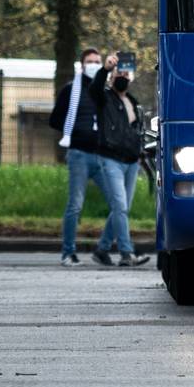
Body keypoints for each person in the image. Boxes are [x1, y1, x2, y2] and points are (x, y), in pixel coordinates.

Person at [51, 49, 146, 265]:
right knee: (75, 204)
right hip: (80, 154)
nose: (93, 64)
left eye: (97, 61)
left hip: (102, 154)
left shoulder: (111, 94)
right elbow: (56, 120)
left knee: (119, 205)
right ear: (82, 65)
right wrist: (78, 132)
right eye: (89, 62)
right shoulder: (77, 90)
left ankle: (103, 249)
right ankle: (69, 252)